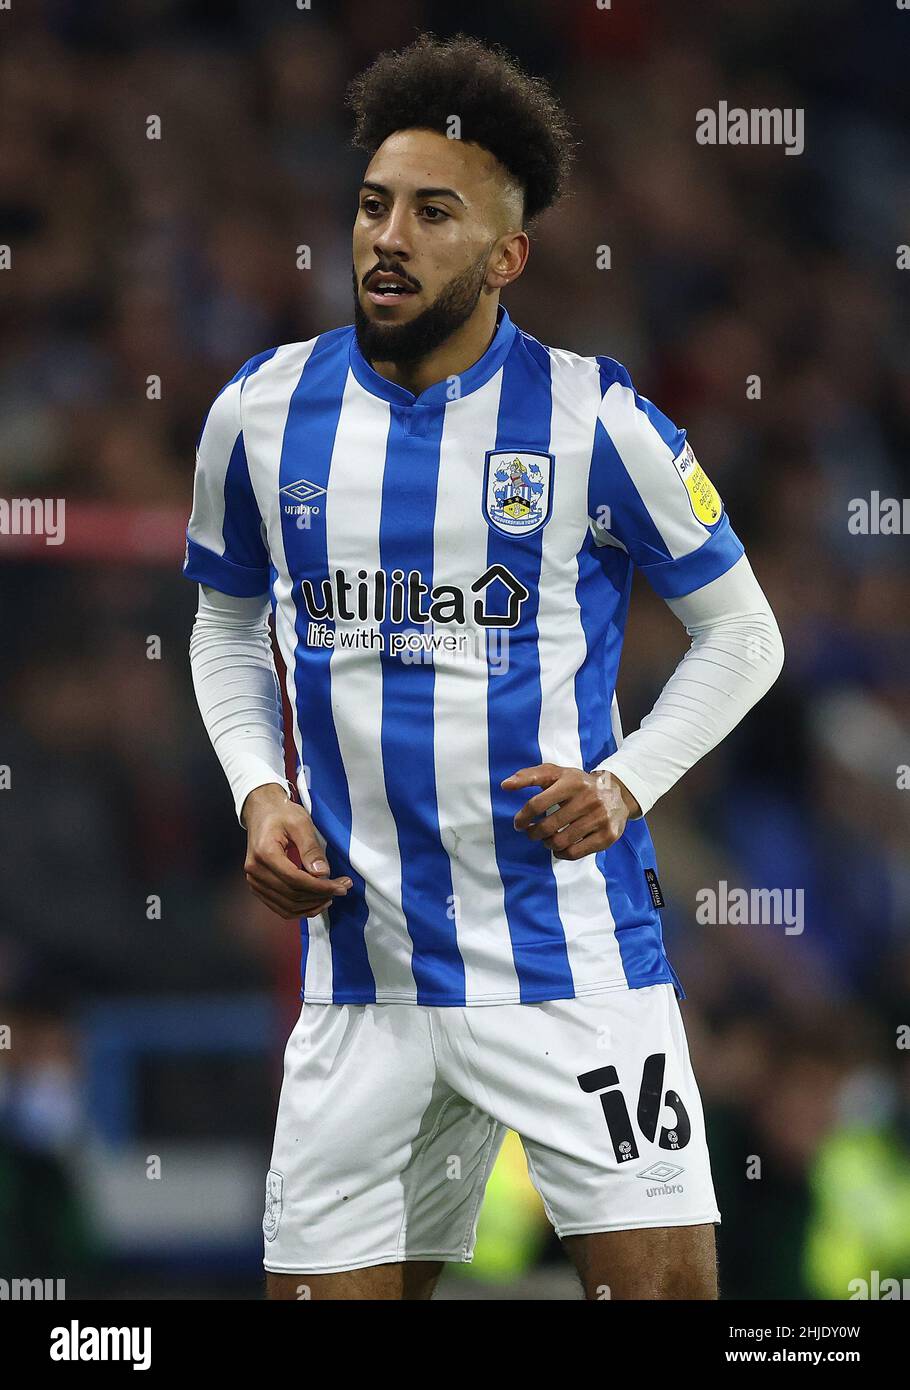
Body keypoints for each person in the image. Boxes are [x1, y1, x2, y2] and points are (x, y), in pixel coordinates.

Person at [184, 34, 784, 1300]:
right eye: (372, 205)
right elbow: (226, 622)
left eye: (433, 212)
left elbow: (746, 635)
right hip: (363, 978)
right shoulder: (259, 413)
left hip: (574, 968)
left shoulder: (597, 423)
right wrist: (256, 785)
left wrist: (625, 783)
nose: (388, 236)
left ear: (507, 256)